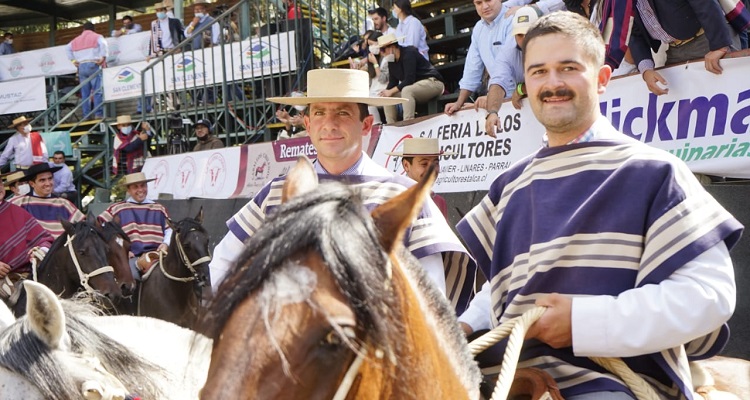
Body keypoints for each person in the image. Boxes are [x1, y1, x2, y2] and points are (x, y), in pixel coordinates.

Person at [457, 12, 742, 399]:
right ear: (526, 84)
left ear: (603, 79)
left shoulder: (654, 172)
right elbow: (509, 283)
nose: (552, 83)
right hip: (507, 367)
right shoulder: (510, 184)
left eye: (568, 68)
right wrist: (467, 325)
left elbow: (708, 296)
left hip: (610, 380)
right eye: (539, 71)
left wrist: (583, 322)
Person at [210, 68, 477, 315]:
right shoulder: (277, 192)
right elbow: (223, 262)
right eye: (319, 113)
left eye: (343, 113)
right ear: (306, 123)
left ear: (366, 124)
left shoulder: (403, 195)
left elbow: (431, 296)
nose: (329, 124)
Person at [444, 0, 562, 116]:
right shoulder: (478, 29)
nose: (484, 6)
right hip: (506, 97)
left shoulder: (515, 18)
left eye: (488, 0)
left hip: (530, 94)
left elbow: (506, 66)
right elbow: (472, 68)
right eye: (479, 3)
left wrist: (493, 98)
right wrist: (459, 102)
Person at [629, 0, 742, 96]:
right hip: (674, 48)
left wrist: (719, 45)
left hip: (707, 39)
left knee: (730, 93)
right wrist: (646, 70)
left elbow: (703, 2)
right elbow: (633, 32)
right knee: (684, 105)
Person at [98, 172, 171, 280]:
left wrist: (165, 244)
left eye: (143, 186)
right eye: (135, 187)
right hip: (132, 256)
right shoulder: (117, 208)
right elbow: (101, 228)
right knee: (132, 278)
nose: (140, 190)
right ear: (128, 190)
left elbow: (170, 230)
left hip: (157, 255)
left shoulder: (159, 208)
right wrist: (122, 251)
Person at [484, 5, 544, 135]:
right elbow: (498, 82)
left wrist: (521, 89)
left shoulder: (555, 43)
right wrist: (492, 112)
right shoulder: (507, 51)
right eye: (519, 35)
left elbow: (549, 82)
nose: (523, 39)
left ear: (540, 31)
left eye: (528, 33)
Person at [377, 33, 445, 123]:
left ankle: (408, 123)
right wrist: (385, 93)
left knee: (406, 90)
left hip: (433, 83)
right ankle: (391, 126)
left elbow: (409, 79)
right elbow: (392, 83)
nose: (381, 53)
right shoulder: (391, 61)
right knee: (388, 97)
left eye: (383, 49)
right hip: (416, 87)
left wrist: (390, 91)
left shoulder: (409, 53)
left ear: (392, 47)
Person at [0, 185, 53, 299]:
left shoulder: (16, 212)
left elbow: (44, 239)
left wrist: (40, 251)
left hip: (25, 276)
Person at [385, 137, 454, 220]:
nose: (432, 170)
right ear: (406, 165)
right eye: (424, 164)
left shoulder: (439, 201)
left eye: (436, 163)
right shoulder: (394, 199)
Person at [10, 163, 85, 238]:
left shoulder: (64, 204)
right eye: (42, 180)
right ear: (32, 183)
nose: (48, 183)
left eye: (50, 178)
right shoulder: (19, 203)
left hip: (62, 247)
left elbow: (83, 227)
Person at [66, 21, 107, 120]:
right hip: (93, 64)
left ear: (83, 29)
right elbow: (104, 45)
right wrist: (103, 57)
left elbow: (67, 48)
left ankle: (86, 116)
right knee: (97, 91)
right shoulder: (97, 36)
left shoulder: (75, 40)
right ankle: (98, 114)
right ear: (93, 29)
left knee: (85, 94)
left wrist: (73, 60)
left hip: (81, 66)